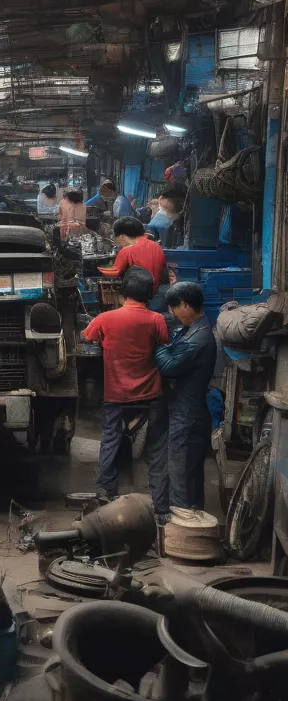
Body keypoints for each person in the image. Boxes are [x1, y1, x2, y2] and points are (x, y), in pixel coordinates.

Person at [82, 267, 170, 519]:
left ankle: (106, 489)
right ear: (149, 294)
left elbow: (87, 337)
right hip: (150, 393)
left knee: (110, 438)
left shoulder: (105, 319)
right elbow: (164, 347)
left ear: (122, 294)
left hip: (116, 393)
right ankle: (159, 503)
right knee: (155, 446)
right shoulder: (156, 320)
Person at [155, 282, 218, 511]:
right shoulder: (192, 329)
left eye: (174, 307)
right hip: (188, 411)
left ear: (185, 305)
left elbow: (169, 365)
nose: (172, 312)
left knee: (181, 476)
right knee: (189, 477)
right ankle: (193, 526)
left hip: (188, 416)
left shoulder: (200, 337)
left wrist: (159, 343)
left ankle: (182, 535)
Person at [97, 216, 167, 294]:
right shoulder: (157, 246)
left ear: (122, 236)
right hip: (158, 292)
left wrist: (96, 269)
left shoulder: (127, 250)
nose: (117, 243)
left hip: (139, 295)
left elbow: (113, 273)